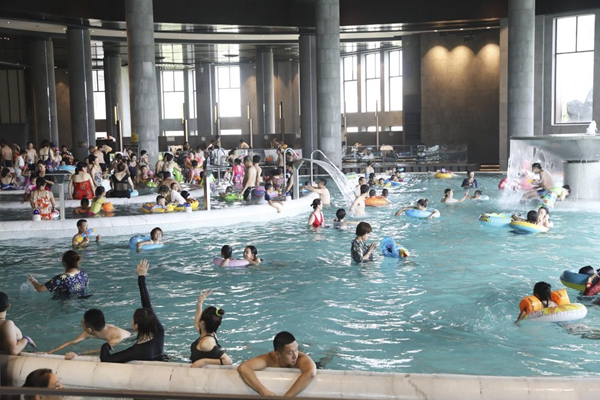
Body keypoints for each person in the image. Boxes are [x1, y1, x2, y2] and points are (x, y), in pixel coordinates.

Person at [100, 259, 165, 363]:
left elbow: (106, 359)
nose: (131, 321)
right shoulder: (160, 333)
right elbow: (147, 305)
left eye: (133, 320)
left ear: (136, 326)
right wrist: (141, 277)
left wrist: (106, 345)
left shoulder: (135, 351)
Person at [237, 331, 317, 397]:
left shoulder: (301, 358)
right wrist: (264, 392)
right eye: (290, 353)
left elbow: (311, 373)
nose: (295, 356)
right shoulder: (270, 359)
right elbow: (243, 368)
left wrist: (286, 397)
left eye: (296, 350)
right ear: (278, 354)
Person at [47, 308, 131, 359]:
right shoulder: (89, 331)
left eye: (82, 324)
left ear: (89, 329)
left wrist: (79, 354)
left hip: (130, 337)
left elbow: (101, 351)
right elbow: (72, 342)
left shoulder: (116, 337)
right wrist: (52, 351)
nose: (81, 325)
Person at [190, 289, 233, 368]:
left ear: (202, 323)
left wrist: (203, 361)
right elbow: (196, 323)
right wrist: (200, 303)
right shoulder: (208, 333)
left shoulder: (206, 343)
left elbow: (228, 361)